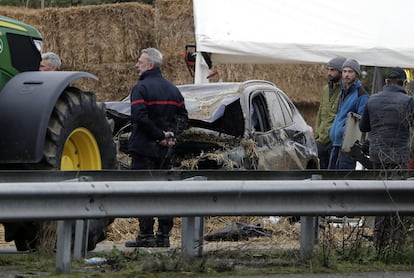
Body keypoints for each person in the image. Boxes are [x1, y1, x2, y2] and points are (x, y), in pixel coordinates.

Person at [125, 47, 188, 248]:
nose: (137, 65)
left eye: (140, 62)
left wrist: (159, 136)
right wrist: (170, 136)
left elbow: (139, 117)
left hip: (144, 149)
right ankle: (164, 236)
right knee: (165, 192)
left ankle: (146, 236)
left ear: (150, 65)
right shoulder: (173, 90)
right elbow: (184, 118)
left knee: (142, 192)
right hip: (165, 151)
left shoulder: (140, 88)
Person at [359, 67, 414, 169]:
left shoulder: (372, 100)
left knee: (379, 184)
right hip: (399, 157)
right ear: (405, 83)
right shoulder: (409, 101)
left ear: (386, 82)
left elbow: (363, 127)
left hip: (376, 155)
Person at [328, 59, 369, 169]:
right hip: (336, 143)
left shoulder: (362, 95)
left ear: (356, 73)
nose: (346, 74)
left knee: (343, 180)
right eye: (344, 71)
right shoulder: (342, 91)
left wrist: (343, 131)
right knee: (330, 180)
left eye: (350, 71)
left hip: (347, 146)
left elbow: (362, 120)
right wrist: (332, 130)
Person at [314, 56, 346, 168]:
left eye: (332, 70)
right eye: (328, 69)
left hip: (334, 140)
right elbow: (320, 112)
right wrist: (317, 133)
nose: (329, 73)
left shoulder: (345, 91)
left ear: (341, 72)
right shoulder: (325, 89)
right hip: (321, 139)